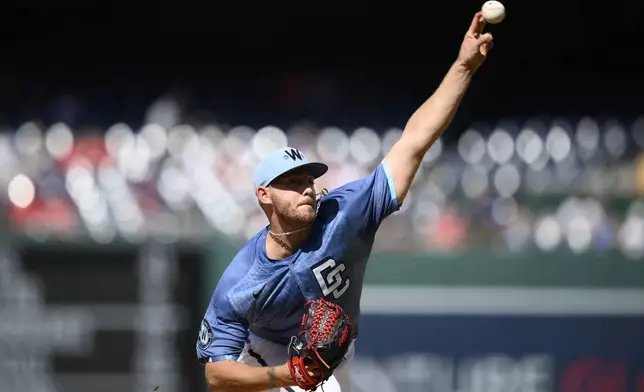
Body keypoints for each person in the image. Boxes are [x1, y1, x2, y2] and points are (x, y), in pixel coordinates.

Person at [196, 11, 494, 392]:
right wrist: (286, 374)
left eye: (307, 179)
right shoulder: (241, 282)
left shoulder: (345, 212)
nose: (305, 187)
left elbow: (414, 143)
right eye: (290, 182)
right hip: (267, 359)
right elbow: (216, 374)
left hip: (329, 359)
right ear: (264, 196)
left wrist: (463, 66)